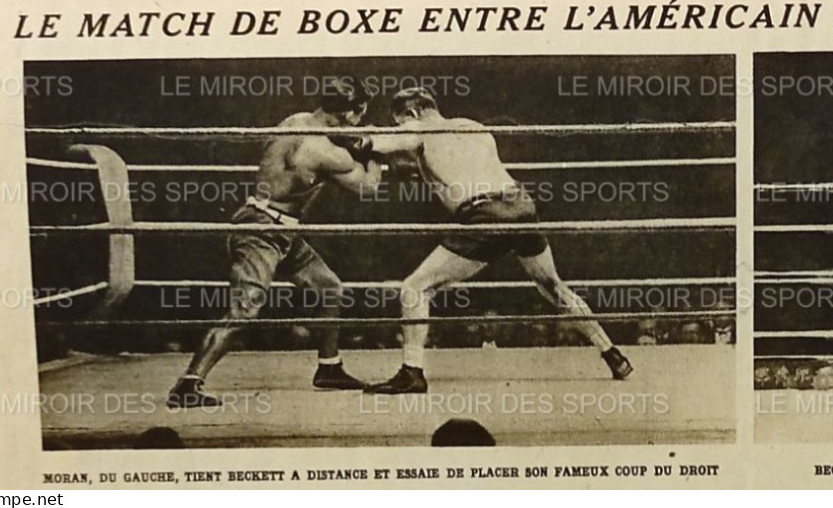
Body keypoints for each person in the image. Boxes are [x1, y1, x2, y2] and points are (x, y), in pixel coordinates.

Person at [353, 87, 631, 394]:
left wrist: (346, 141)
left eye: (399, 123)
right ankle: (612, 354)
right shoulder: (474, 127)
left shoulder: (418, 127)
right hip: (521, 204)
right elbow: (458, 167)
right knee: (552, 286)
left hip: (486, 214)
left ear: (412, 114)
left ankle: (412, 371)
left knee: (415, 287)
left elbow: (365, 142)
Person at [167, 79, 381, 408]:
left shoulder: (294, 121)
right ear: (354, 112)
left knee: (329, 288)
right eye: (361, 113)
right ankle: (188, 383)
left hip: (273, 225)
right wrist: (375, 151)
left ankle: (329, 367)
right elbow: (368, 188)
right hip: (262, 232)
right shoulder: (327, 153)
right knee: (244, 310)